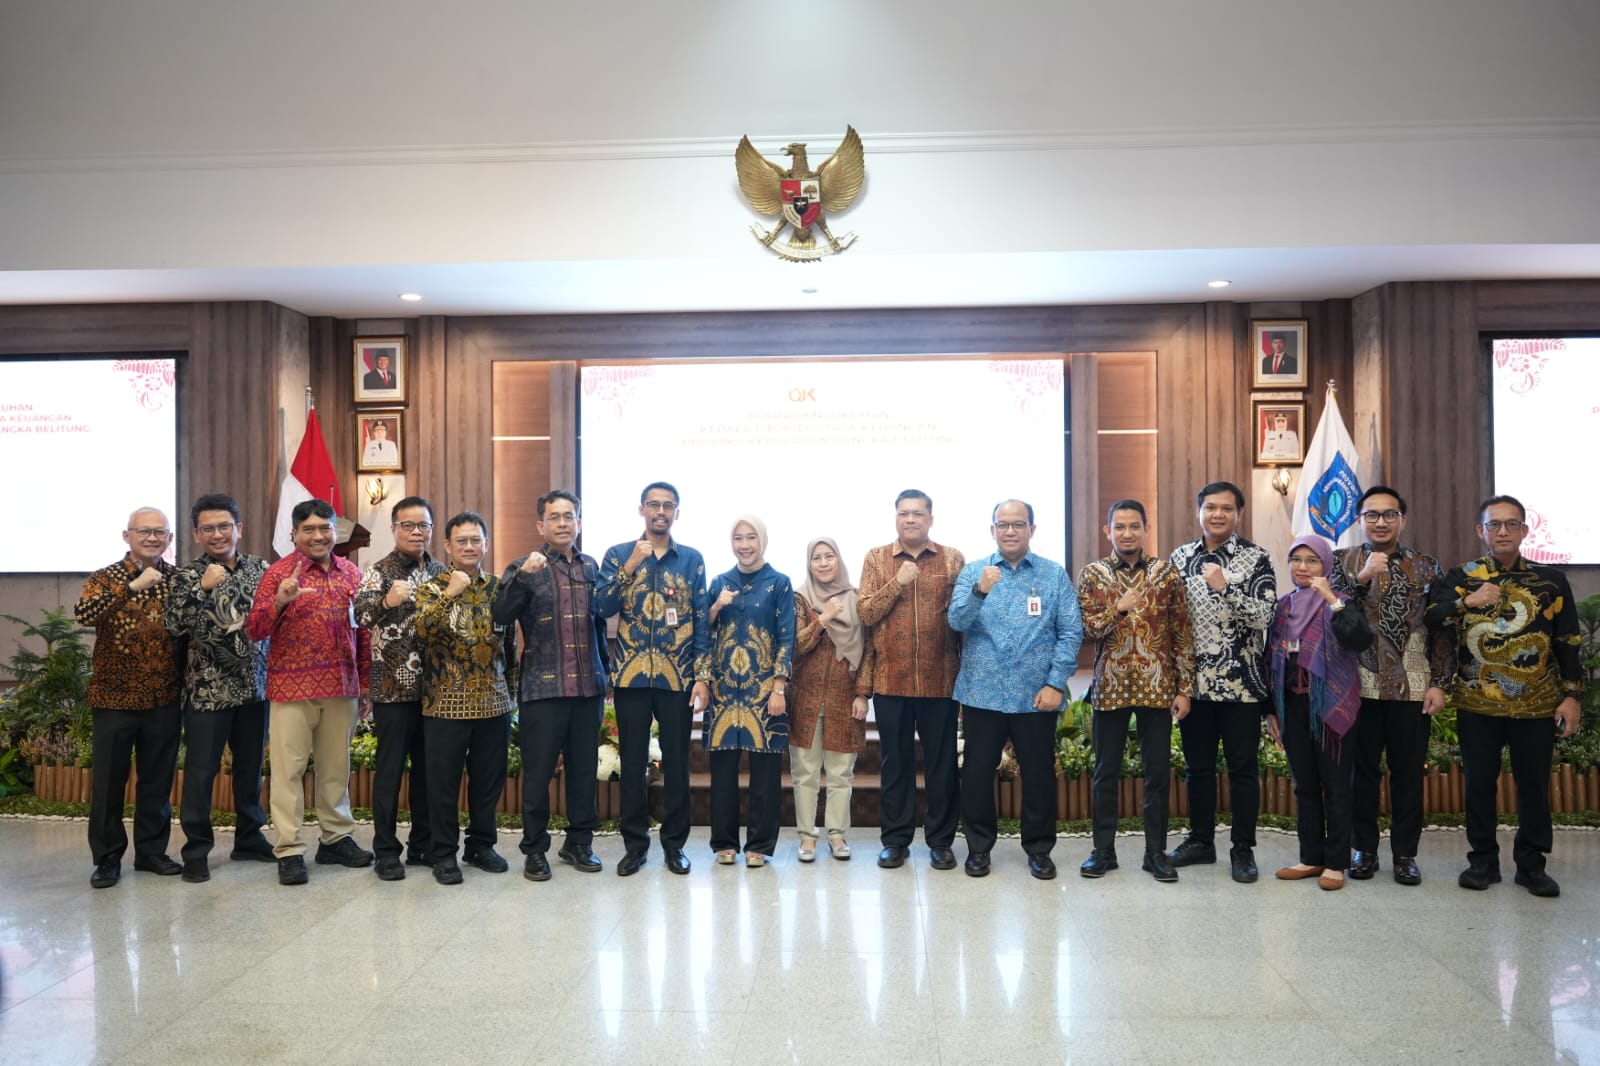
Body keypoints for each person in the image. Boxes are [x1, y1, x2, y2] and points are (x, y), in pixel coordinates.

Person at [1425, 495, 1582, 897]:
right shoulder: (1464, 575)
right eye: (1494, 524)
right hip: (1478, 702)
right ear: (1481, 531)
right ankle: (1483, 861)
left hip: (1537, 702)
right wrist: (1468, 601)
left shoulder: (1551, 581)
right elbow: (1432, 616)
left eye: (1512, 524)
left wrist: (1571, 695)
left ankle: (1531, 865)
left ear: (1525, 531)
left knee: (1533, 786)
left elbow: (1567, 639)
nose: (1503, 532)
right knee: (1479, 784)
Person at [949, 500, 1082, 879]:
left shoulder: (1053, 575)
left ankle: (1039, 850)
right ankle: (978, 849)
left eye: (1018, 524)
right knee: (977, 774)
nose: (1010, 531)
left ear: (1032, 530)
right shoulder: (974, 572)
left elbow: (1071, 631)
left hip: (1035, 696)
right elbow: (956, 621)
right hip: (983, 694)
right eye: (1003, 525)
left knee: (1038, 775)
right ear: (992, 530)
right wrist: (979, 591)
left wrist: (1055, 683)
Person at [246, 498, 374, 885]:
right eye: (309, 529)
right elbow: (255, 630)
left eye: (325, 528)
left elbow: (363, 632)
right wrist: (279, 602)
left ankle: (335, 839)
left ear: (336, 531)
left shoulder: (351, 573)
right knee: (289, 772)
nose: (318, 536)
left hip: (342, 686)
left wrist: (365, 683)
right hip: (291, 688)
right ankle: (288, 848)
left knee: (335, 769)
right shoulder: (278, 574)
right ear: (294, 534)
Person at [1331, 486, 1451, 885]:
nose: (1380, 522)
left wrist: (1440, 682)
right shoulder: (1342, 561)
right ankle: (1363, 849)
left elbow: (1441, 628)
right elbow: (1330, 613)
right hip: (1357, 685)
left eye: (1389, 515)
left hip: (1412, 685)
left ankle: (1405, 854)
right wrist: (1362, 579)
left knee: (1408, 774)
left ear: (1403, 520)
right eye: (1372, 515)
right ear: (1360, 520)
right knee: (1361, 773)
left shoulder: (1426, 566)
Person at [594, 481, 712, 877]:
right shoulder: (618, 554)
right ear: (641, 509)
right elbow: (602, 606)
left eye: (668, 506)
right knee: (632, 764)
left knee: (677, 765)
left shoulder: (692, 560)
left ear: (677, 513)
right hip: (631, 677)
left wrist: (702, 676)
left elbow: (700, 621)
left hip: (677, 679)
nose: (661, 511)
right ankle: (634, 846)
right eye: (654, 504)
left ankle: (675, 846)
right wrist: (629, 567)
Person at [492, 490, 611, 881]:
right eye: (554, 517)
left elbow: (598, 624)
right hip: (542, 689)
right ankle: (534, 849)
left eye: (569, 516)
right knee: (538, 773)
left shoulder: (591, 566)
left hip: (587, 688)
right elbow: (500, 614)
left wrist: (605, 673)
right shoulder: (524, 566)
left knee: (583, 771)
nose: (562, 523)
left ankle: (579, 843)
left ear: (579, 522)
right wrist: (523, 578)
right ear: (540, 525)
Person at [1075, 499, 1193, 882]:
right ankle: (1102, 852)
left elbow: (1182, 632)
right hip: (1109, 686)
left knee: (1157, 773)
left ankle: (1155, 853)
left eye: (1134, 527)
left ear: (1145, 529)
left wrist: (1184, 688)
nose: (1127, 533)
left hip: (1158, 687)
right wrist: (1119, 609)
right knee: (1105, 772)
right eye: (1119, 527)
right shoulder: (1093, 574)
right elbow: (1086, 630)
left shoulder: (1165, 573)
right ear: (1107, 531)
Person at [1167, 481, 1276, 883]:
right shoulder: (1180, 558)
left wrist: (1225, 587)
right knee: (1197, 769)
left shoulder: (1256, 558)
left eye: (1226, 508)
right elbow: (1172, 621)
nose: (1217, 514)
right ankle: (1200, 841)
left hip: (1242, 686)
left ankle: (1242, 849)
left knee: (1243, 770)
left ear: (1239, 514)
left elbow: (1265, 617)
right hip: (1195, 686)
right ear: (1199, 511)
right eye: (1210, 507)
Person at [163, 493, 272, 883]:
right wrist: (203, 589)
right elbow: (173, 625)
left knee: (250, 769)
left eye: (224, 526)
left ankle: (249, 837)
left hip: (254, 689)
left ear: (238, 528)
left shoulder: (261, 568)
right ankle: (196, 851)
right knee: (201, 773)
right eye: (207, 528)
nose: (217, 534)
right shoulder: (186, 576)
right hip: (208, 692)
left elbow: (273, 618)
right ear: (196, 534)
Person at [75, 507, 184, 889]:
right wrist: (131, 587)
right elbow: (84, 613)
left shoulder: (177, 579)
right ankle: (107, 859)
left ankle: (151, 853)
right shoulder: (105, 578)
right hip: (113, 699)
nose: (152, 538)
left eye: (160, 532)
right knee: (108, 784)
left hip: (163, 697)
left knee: (157, 782)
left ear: (170, 539)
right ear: (127, 536)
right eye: (144, 531)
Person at [858, 489, 965, 871]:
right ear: (896, 518)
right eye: (904, 513)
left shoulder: (952, 559)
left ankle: (941, 841)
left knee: (942, 765)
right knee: (896, 765)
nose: (910, 520)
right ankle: (895, 840)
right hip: (891, 682)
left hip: (941, 682)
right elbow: (866, 614)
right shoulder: (876, 558)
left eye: (918, 514)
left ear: (930, 519)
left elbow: (964, 620)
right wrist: (898, 583)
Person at [414, 511, 517, 885]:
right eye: (462, 541)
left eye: (476, 540)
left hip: (494, 702)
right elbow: (421, 633)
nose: (470, 546)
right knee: (443, 785)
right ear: (447, 545)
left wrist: (511, 693)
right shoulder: (431, 587)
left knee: (488, 782)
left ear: (486, 544)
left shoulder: (500, 588)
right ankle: (443, 853)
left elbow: (510, 645)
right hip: (445, 704)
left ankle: (481, 846)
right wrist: (449, 595)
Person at [1265, 535, 1373, 891]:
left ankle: (1336, 863)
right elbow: (1270, 659)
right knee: (1305, 785)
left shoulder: (1340, 601)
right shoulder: (1283, 607)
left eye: (1312, 560)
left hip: (1329, 705)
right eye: (1296, 560)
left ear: (1325, 564)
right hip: (1292, 705)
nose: (1303, 567)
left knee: (1336, 785)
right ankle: (1311, 857)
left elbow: (1358, 639)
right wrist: (1271, 711)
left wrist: (1331, 599)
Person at [352, 497, 446, 881]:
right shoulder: (378, 572)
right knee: (390, 772)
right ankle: (386, 851)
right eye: (408, 525)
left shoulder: (441, 572)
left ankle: (422, 844)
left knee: (428, 772)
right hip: (392, 690)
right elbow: (359, 615)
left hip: (435, 691)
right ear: (393, 529)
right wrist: (388, 600)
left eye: (423, 525)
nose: (416, 532)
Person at [704, 516, 795, 866]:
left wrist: (779, 686)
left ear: (763, 540)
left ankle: (760, 843)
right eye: (738, 538)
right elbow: (701, 631)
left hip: (764, 691)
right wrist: (716, 606)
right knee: (722, 773)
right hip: (724, 692)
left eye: (751, 537)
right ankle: (723, 842)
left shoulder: (779, 583)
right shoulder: (719, 582)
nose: (744, 545)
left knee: (766, 774)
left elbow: (786, 637)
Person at [789, 537, 871, 862]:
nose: (823, 563)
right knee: (805, 773)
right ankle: (807, 837)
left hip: (844, 697)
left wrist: (863, 693)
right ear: (809, 564)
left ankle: (836, 835)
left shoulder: (856, 598)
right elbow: (794, 646)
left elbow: (869, 650)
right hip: (804, 698)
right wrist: (823, 619)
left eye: (829, 556)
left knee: (840, 774)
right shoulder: (799, 599)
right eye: (816, 558)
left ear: (838, 560)